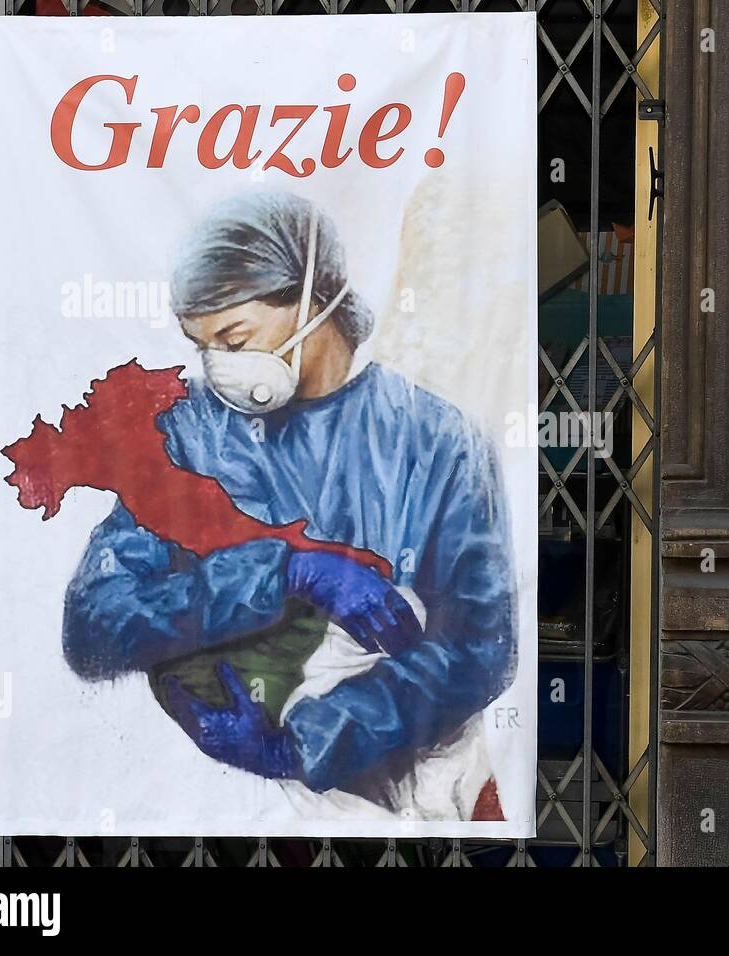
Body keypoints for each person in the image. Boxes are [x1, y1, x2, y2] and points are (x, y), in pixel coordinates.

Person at [61, 191, 518, 816]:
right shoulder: (191, 436)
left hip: (407, 805)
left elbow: (479, 647)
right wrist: (283, 575)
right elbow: (96, 624)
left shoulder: (437, 440)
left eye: (234, 337)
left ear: (311, 298)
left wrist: (304, 743)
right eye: (204, 346)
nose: (220, 366)